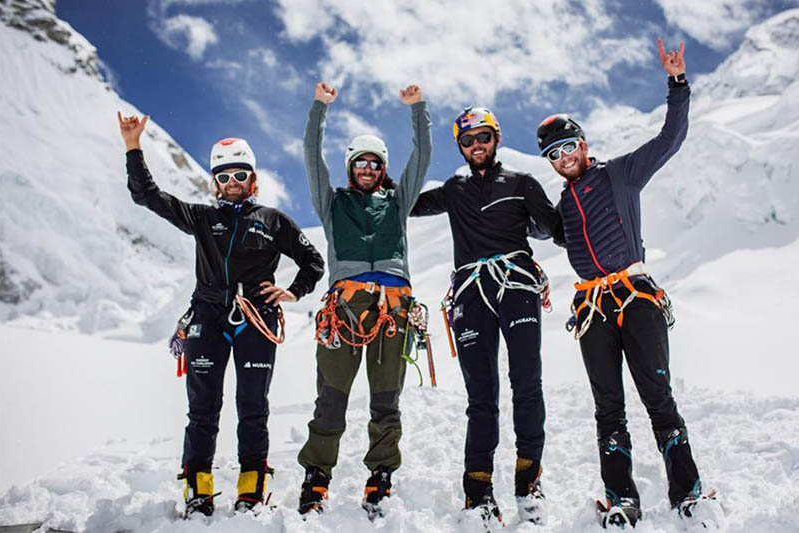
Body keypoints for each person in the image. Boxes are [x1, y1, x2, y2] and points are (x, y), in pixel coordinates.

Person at [537, 40, 719, 528]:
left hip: (636, 297)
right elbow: (542, 230)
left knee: (658, 398)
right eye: (553, 154)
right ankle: (622, 499)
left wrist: (677, 83)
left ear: (583, 145)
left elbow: (670, 138)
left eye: (568, 146)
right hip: (592, 307)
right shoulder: (563, 207)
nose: (563, 157)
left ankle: (688, 493)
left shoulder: (620, 174)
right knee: (608, 409)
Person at [118, 113, 325, 517]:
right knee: (203, 408)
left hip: (257, 318)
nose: (232, 182)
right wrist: (133, 146)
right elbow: (147, 195)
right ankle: (198, 490)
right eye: (224, 176)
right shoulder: (201, 218)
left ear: (253, 179)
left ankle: (252, 489)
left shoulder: (273, 220)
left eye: (240, 175)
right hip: (207, 317)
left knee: (253, 405)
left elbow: (313, 261)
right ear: (215, 181)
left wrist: (293, 291)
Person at [410, 106, 563, 525]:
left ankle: (528, 484)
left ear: (496, 138)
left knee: (527, 383)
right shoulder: (453, 189)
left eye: (483, 137)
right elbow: (405, 204)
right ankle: (477, 493)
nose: (476, 145)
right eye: (467, 140)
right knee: (481, 395)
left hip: (515, 285)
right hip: (471, 293)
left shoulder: (521, 182)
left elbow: (556, 229)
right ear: (460, 146)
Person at [297, 82, 432, 519]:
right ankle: (316, 475)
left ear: (383, 168)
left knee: (386, 400)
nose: (368, 169)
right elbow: (311, 154)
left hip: (394, 308)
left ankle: (381, 475)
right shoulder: (332, 202)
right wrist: (320, 107)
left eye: (375, 163)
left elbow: (422, 157)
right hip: (346, 308)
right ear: (351, 167)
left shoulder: (398, 201)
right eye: (361, 162)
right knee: (331, 398)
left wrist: (417, 109)